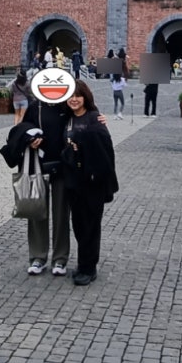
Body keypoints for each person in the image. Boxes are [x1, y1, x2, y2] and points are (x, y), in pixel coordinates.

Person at [0, 95, 72, 277]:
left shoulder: (68, 104)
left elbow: (84, 116)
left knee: (61, 213)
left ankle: (60, 258)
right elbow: (22, 128)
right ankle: (38, 256)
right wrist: (30, 138)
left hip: (64, 166)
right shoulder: (35, 106)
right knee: (36, 210)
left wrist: (99, 119)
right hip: (38, 165)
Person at [62, 80, 118, 286]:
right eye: (70, 96)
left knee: (91, 225)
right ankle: (83, 263)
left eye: (78, 95)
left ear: (85, 97)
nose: (74, 99)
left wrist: (81, 143)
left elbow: (104, 146)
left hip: (93, 181)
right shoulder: (66, 118)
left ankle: (89, 268)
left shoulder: (94, 118)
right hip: (74, 181)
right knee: (78, 225)